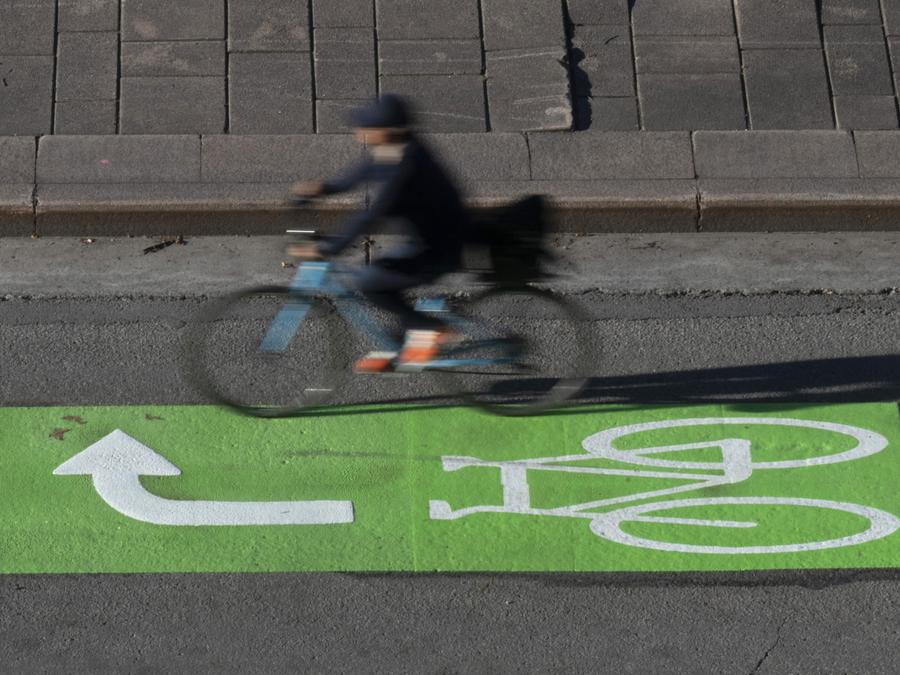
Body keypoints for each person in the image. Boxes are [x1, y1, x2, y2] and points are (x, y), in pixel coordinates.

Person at [289, 94, 469, 373]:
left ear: (385, 130)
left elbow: (372, 215)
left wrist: (330, 248)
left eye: (367, 127)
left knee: (371, 282)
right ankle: (403, 345)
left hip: (441, 248)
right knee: (383, 277)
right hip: (426, 240)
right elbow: (359, 174)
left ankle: (433, 328)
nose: (359, 132)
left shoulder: (407, 167)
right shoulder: (396, 148)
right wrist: (322, 189)